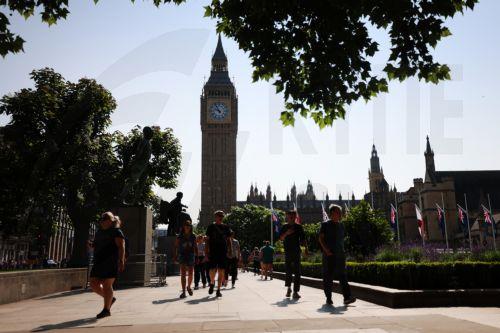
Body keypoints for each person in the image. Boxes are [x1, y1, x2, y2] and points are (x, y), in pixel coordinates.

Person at [89, 212, 125, 319]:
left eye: (105, 219)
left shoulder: (116, 232)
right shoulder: (99, 232)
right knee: (93, 284)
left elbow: (121, 247)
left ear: (111, 221)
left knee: (106, 285)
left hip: (111, 261)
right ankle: (110, 299)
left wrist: (121, 260)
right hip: (98, 261)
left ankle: (106, 310)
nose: (102, 221)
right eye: (101, 219)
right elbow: (95, 245)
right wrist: (91, 245)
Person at [318, 204, 356, 306]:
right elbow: (320, 239)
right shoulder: (325, 225)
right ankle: (328, 298)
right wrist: (326, 250)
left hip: (340, 255)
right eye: (338, 212)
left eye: (340, 212)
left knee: (343, 276)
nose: (340, 214)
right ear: (332, 213)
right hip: (329, 255)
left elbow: (341, 240)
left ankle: (347, 297)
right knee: (328, 277)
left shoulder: (341, 225)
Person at [279, 210, 308, 299]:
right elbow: (281, 238)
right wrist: (287, 233)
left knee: (297, 272)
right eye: (290, 216)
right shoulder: (284, 227)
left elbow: (303, 239)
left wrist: (306, 249)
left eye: (293, 216)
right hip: (288, 251)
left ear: (295, 217)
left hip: (296, 251)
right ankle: (289, 288)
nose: (291, 218)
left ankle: (295, 291)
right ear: (287, 217)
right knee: (288, 271)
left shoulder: (299, 227)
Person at [205, 210, 232, 297]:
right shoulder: (211, 227)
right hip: (213, 251)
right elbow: (207, 240)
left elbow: (229, 240)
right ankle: (212, 282)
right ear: (215, 217)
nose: (221, 217)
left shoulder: (226, 227)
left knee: (221, 271)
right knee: (212, 270)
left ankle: (219, 290)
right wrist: (206, 252)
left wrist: (230, 250)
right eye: (219, 216)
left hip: (223, 251)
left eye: (222, 216)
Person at [174, 220, 197, 298]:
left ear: (190, 227)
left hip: (191, 255)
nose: (187, 227)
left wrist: (196, 256)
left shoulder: (193, 236)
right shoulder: (179, 236)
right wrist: (175, 256)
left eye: (189, 226)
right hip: (182, 255)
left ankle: (189, 287)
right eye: (186, 226)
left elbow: (195, 246)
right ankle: (183, 292)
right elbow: (176, 246)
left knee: (191, 273)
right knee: (183, 274)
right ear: (183, 227)